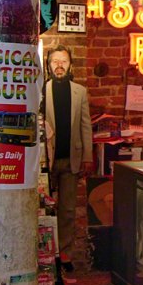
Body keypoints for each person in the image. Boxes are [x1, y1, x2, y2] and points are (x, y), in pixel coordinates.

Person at [45, 46, 93, 271]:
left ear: (70, 65)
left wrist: (88, 156)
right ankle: (45, 253)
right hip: (47, 160)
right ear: (48, 65)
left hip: (71, 159)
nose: (59, 65)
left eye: (63, 61)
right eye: (55, 61)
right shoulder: (41, 91)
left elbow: (86, 125)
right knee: (43, 207)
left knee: (68, 210)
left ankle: (64, 253)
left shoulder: (79, 92)